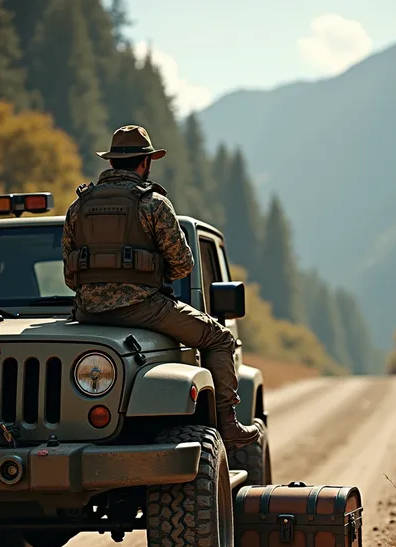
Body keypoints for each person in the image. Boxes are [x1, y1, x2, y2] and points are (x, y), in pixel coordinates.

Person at [62, 124, 260, 450]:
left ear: (111, 163)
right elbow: (183, 264)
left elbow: (71, 276)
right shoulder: (153, 204)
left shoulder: (78, 207)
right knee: (219, 338)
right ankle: (229, 425)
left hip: (88, 312)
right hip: (144, 310)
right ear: (145, 163)